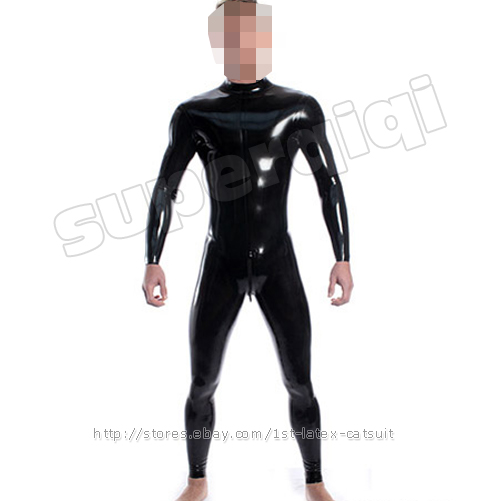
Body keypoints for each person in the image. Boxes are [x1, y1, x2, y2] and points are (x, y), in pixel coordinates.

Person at [142, 1, 354, 500]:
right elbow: (166, 187)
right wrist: (153, 259)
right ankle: (197, 480)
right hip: (221, 262)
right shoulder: (196, 113)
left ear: (267, 37)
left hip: (278, 261)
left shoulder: (297, 108)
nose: (245, 44)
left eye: (254, 32)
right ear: (217, 41)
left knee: (300, 382)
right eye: (234, 34)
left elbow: (328, 183)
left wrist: (342, 255)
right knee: (202, 382)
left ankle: (315, 480)